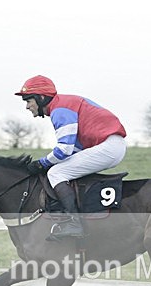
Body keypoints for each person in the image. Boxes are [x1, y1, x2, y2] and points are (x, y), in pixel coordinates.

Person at [15, 75, 127, 240]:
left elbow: (64, 150)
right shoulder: (63, 104)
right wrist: (48, 163)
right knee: (60, 169)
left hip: (108, 147)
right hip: (110, 145)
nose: (27, 106)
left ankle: (74, 223)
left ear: (41, 98)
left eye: (28, 100)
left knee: (56, 173)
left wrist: (41, 164)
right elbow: (75, 148)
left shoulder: (60, 109)